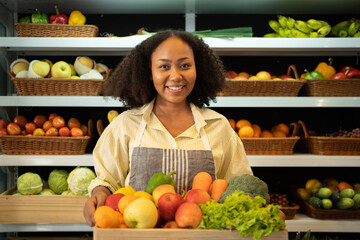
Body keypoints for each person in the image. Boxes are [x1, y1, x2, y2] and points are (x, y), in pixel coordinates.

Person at [83, 29, 253, 226]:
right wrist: (99, 193)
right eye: (164, 66)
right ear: (149, 72)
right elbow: (107, 181)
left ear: (198, 70)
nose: (176, 75)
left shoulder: (219, 127)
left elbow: (239, 185)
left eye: (185, 65)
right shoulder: (125, 125)